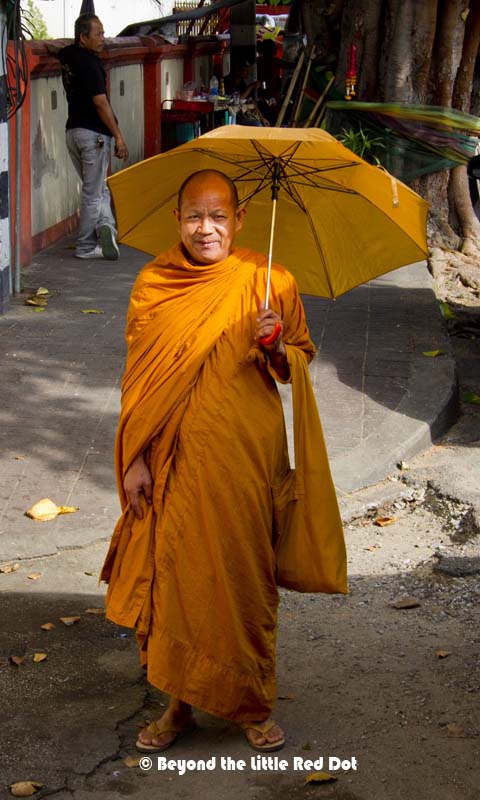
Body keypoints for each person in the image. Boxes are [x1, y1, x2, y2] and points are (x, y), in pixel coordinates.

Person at [100, 170, 346, 753]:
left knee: (243, 576)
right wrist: (134, 460)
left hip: (245, 457)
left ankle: (251, 704)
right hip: (172, 458)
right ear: (177, 219)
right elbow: (140, 382)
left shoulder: (271, 280)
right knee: (175, 579)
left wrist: (276, 345)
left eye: (217, 217)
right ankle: (178, 705)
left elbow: (299, 358)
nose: (205, 228)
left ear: (239, 220)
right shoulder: (155, 283)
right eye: (194, 216)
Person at [59, 14, 129, 260]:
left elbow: (57, 49)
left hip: (73, 132)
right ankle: (86, 246)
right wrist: (118, 137)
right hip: (94, 136)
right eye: (98, 34)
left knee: (98, 187)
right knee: (93, 192)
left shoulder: (68, 55)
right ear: (83, 37)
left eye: (103, 33)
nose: (103, 38)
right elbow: (100, 103)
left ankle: (106, 227)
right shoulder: (91, 64)